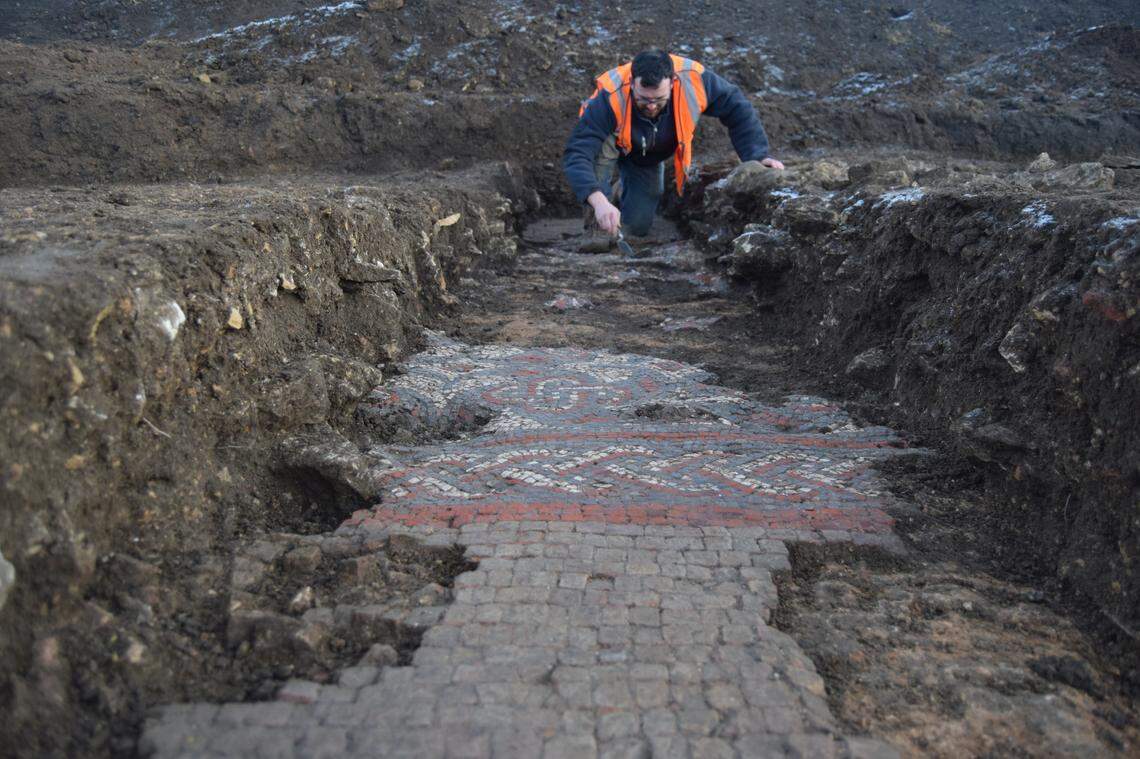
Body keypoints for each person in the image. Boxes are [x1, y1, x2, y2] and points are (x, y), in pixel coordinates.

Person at [563, 48, 784, 241]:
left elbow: (737, 108)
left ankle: (621, 190)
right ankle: (598, 225)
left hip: (646, 155)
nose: (651, 107)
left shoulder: (695, 81)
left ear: (672, 83)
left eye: (658, 100)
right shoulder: (610, 96)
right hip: (608, 145)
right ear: (632, 84)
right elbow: (578, 153)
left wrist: (758, 156)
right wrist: (599, 201)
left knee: (637, 227)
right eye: (643, 99)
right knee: (602, 221)